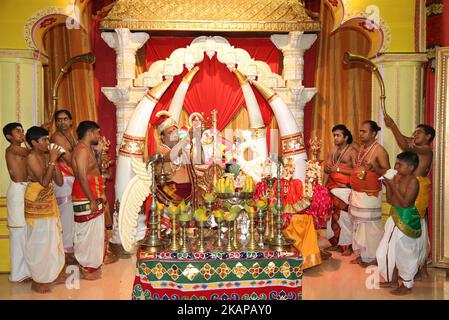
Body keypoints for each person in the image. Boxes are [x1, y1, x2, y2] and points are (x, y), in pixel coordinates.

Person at [384, 113, 434, 279]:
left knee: (414, 225)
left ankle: (417, 267)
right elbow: (406, 139)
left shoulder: (426, 149)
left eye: (419, 133)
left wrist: (392, 126)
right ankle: (417, 267)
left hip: (417, 190)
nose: (415, 135)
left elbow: (406, 145)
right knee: (414, 225)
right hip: (412, 188)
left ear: (428, 137)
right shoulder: (420, 147)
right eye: (415, 132)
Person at [24, 126, 66, 293]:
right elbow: (43, 181)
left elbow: (60, 182)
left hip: (49, 199)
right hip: (36, 200)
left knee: (52, 238)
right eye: (44, 140)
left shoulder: (47, 155)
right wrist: (53, 160)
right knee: (39, 242)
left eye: (48, 139)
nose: (47, 143)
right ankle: (38, 279)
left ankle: (52, 274)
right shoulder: (32, 157)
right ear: (34, 143)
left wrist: (54, 160)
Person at [376, 151, 421, 295]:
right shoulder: (397, 178)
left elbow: (406, 203)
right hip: (394, 215)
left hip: (406, 218)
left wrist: (392, 185)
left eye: (400, 164)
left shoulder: (413, 181)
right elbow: (391, 200)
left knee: (404, 252)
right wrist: (388, 185)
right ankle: (393, 279)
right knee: (387, 250)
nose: (396, 166)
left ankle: (407, 285)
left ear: (411, 167)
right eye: (396, 163)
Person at [349, 120, 390, 267]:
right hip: (358, 193)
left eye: (364, 131)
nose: (360, 134)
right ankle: (362, 255)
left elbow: (388, 172)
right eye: (360, 131)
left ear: (373, 133)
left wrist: (374, 169)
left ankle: (374, 257)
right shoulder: (362, 148)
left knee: (371, 227)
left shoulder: (379, 150)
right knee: (359, 226)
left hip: (370, 195)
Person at [152, 111, 198, 232]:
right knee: (170, 236)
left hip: (187, 199)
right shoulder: (160, 150)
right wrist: (188, 137)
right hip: (168, 200)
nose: (174, 134)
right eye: (170, 132)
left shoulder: (183, 151)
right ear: (162, 137)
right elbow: (171, 156)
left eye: (175, 131)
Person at [71, 121, 105, 280]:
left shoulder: (88, 149)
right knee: (86, 234)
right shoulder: (81, 150)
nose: (99, 136)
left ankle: (90, 266)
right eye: (97, 133)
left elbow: (94, 170)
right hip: (85, 196)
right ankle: (85, 267)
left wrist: (98, 153)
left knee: (93, 234)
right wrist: (92, 200)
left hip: (92, 194)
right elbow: (82, 177)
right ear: (90, 132)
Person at [323, 124, 358, 256]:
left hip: (345, 190)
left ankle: (348, 246)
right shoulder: (332, 150)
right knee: (333, 218)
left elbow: (357, 171)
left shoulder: (352, 151)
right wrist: (323, 186)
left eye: (338, 135)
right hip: (332, 188)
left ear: (346, 137)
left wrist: (338, 169)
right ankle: (337, 244)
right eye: (334, 135)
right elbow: (327, 170)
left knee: (345, 218)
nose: (335, 138)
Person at [3, 122, 31, 283]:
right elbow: (31, 152)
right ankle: (17, 274)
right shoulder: (13, 149)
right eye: (18, 132)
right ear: (9, 137)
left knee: (25, 231)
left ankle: (25, 271)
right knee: (18, 232)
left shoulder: (21, 150)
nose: (21, 133)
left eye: (22, 131)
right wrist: (30, 140)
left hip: (25, 190)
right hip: (16, 192)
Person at [50, 110, 77, 263]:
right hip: (63, 179)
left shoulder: (70, 135)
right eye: (58, 120)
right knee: (66, 215)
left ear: (71, 121)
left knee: (71, 215)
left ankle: (69, 249)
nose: (62, 122)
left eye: (65, 119)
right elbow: (69, 159)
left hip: (70, 177)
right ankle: (66, 253)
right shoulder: (57, 137)